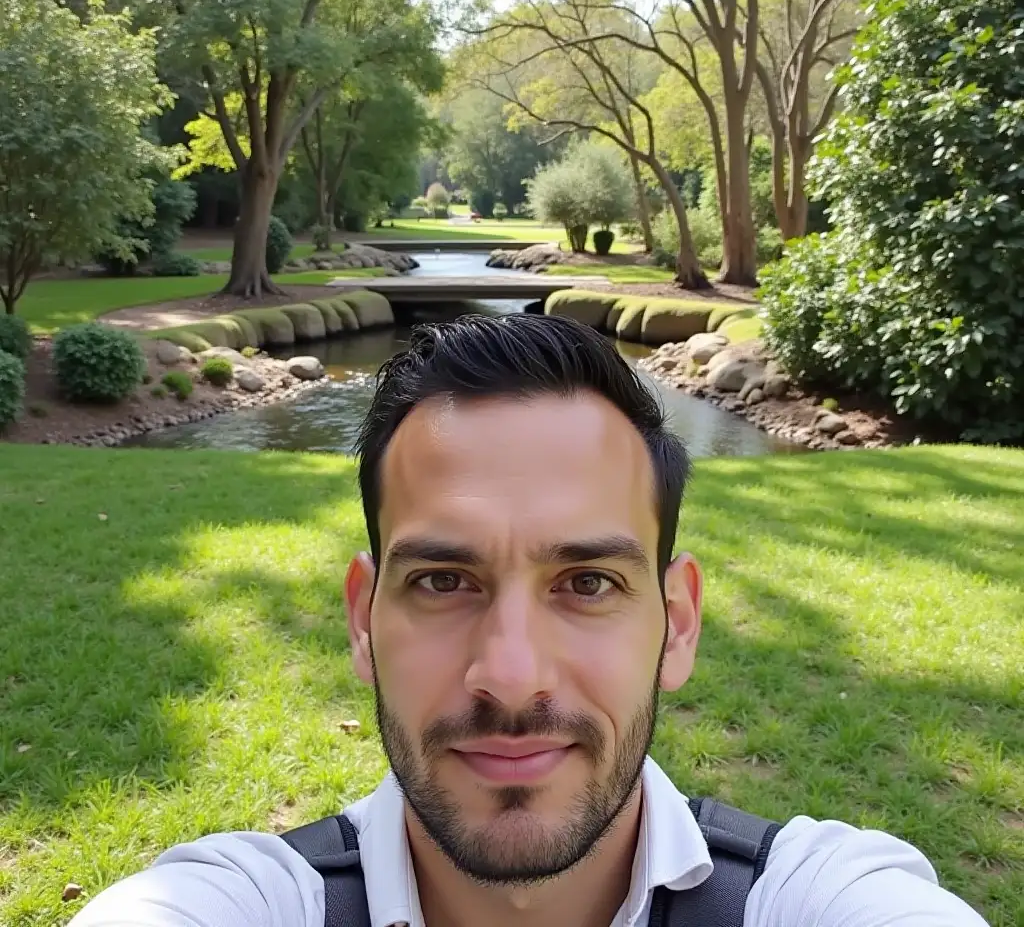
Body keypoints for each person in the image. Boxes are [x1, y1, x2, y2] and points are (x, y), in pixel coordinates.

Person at [71, 313, 987, 927]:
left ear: (677, 625)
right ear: (362, 619)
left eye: (588, 582)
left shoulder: (815, 900)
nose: (510, 676)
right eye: (441, 581)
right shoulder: (241, 903)